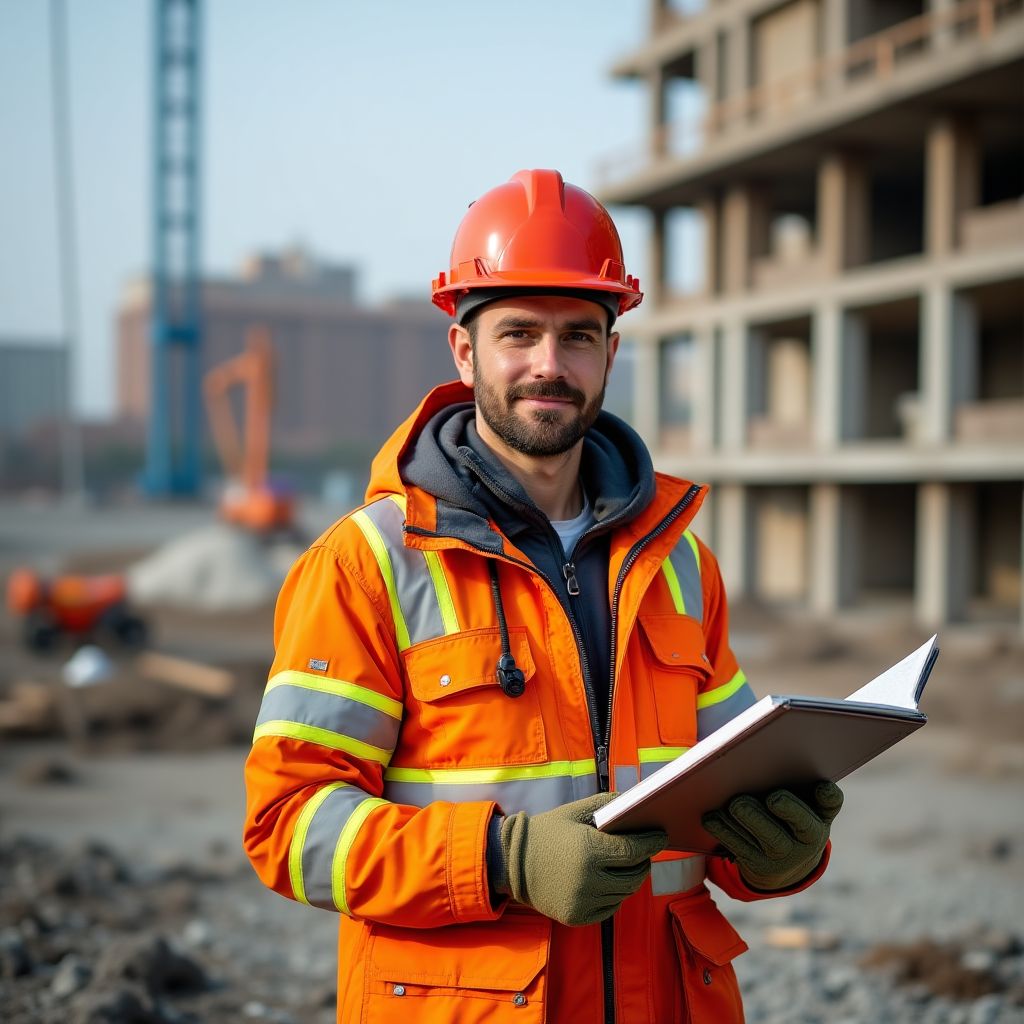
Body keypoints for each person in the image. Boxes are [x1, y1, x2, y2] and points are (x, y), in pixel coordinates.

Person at [243, 169, 844, 1023]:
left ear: (611, 351)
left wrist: (777, 854)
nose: (548, 366)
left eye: (578, 336)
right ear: (463, 349)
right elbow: (288, 826)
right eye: (518, 333)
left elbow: (724, 794)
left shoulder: (681, 565)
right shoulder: (368, 564)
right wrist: (502, 859)